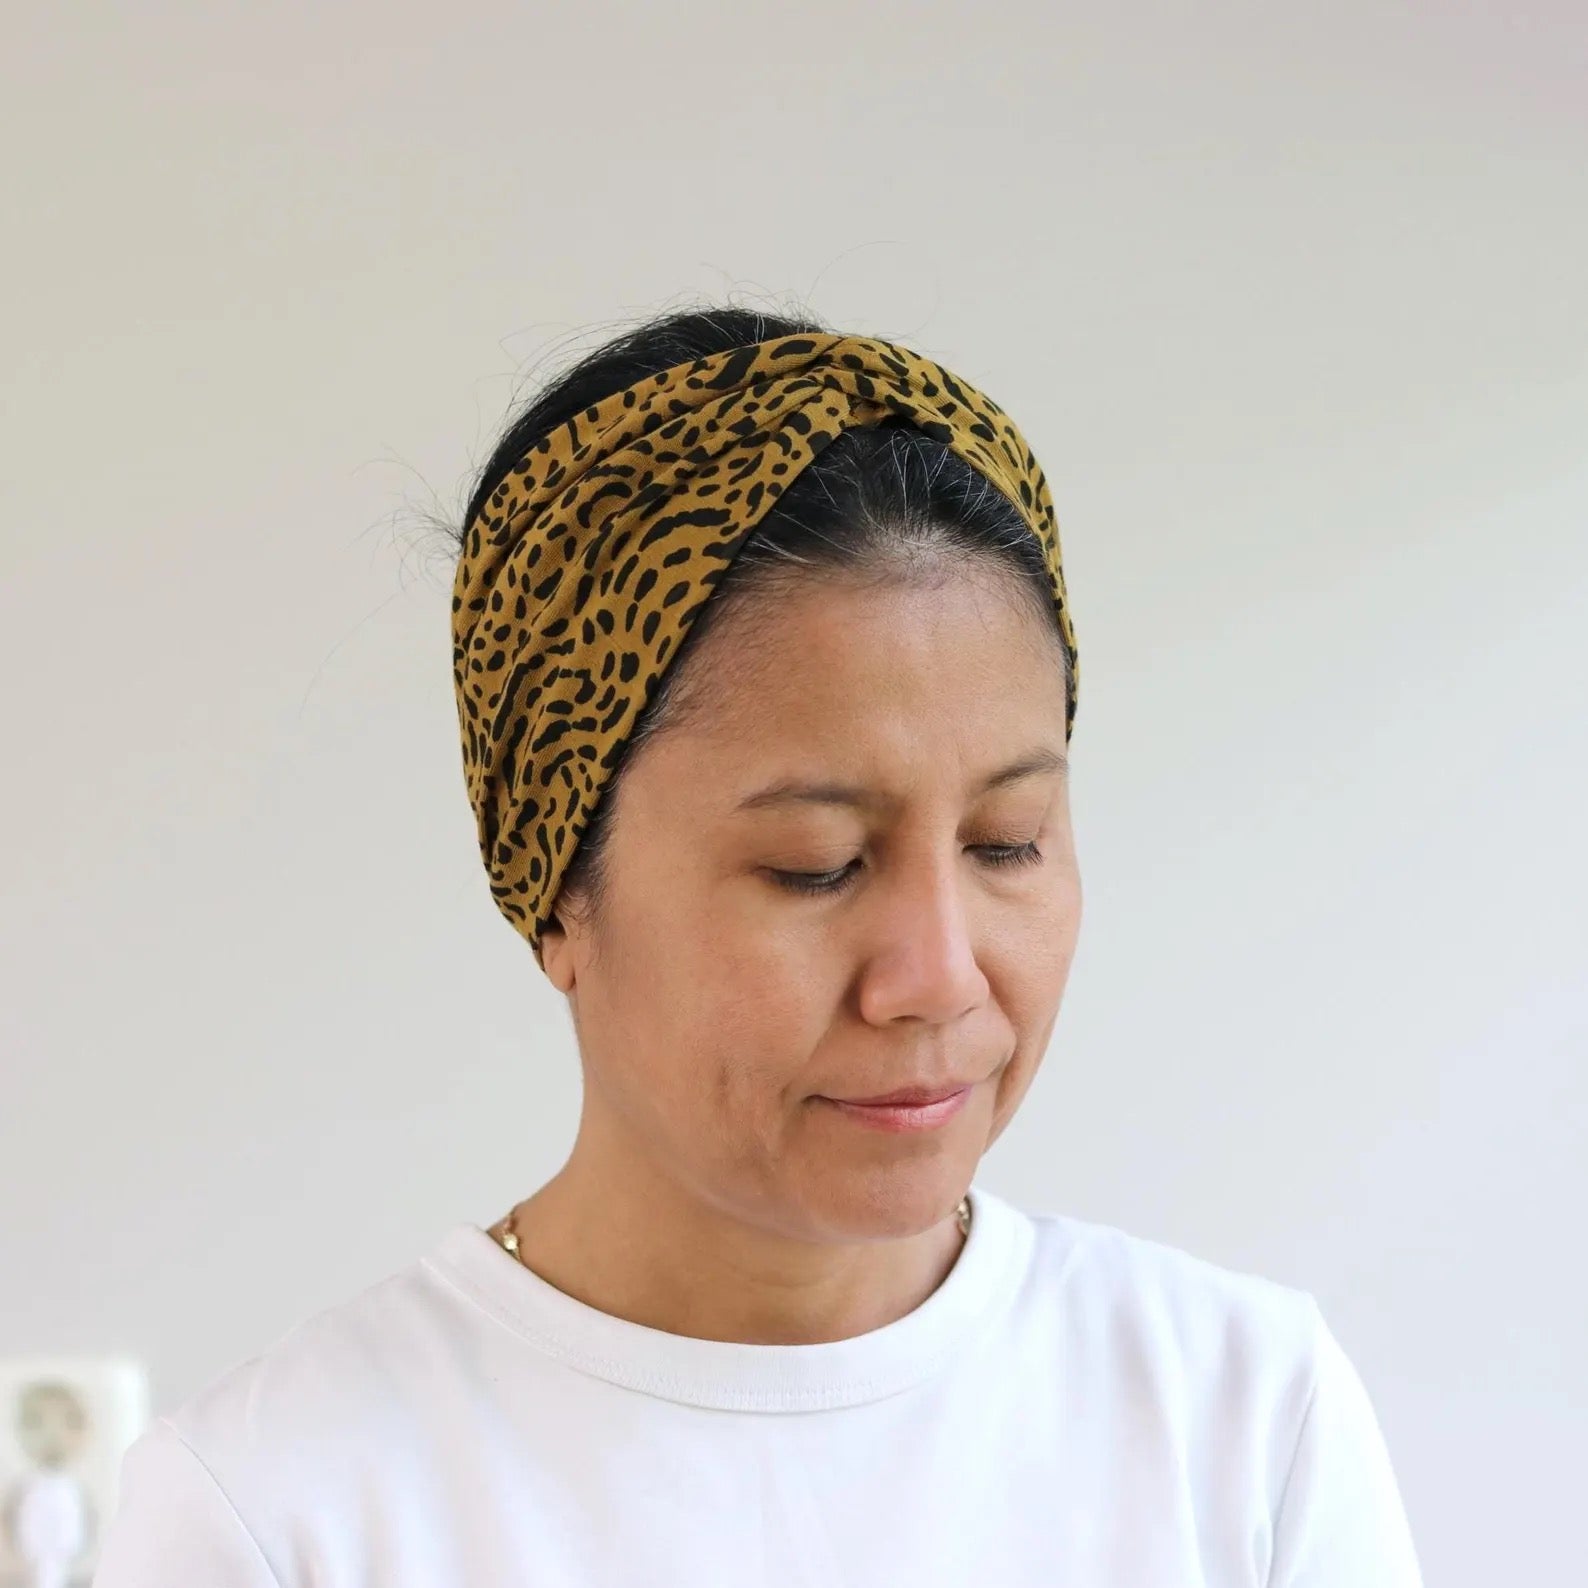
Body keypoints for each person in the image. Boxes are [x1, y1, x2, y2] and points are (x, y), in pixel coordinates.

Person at [92, 303, 1424, 1585]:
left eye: (1006, 840)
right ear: (557, 888)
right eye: (818, 867)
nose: (939, 977)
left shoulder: (1243, 1425)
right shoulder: (282, 1514)